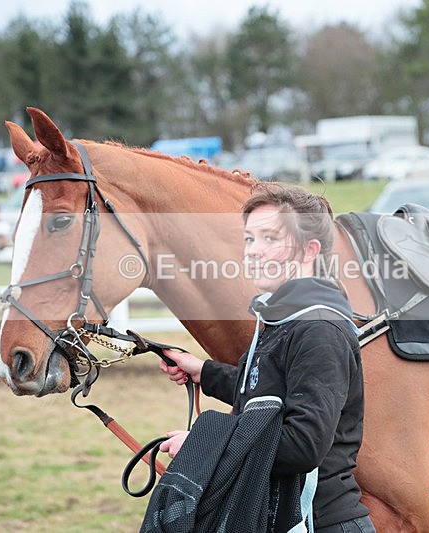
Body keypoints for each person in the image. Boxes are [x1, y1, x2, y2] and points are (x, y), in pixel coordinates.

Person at [158, 184, 374, 532]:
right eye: (249, 239)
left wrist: (204, 446)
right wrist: (204, 372)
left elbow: (302, 446)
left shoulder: (319, 329)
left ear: (309, 251)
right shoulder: (282, 316)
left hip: (317, 522)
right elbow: (266, 397)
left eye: (270, 239)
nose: (253, 252)